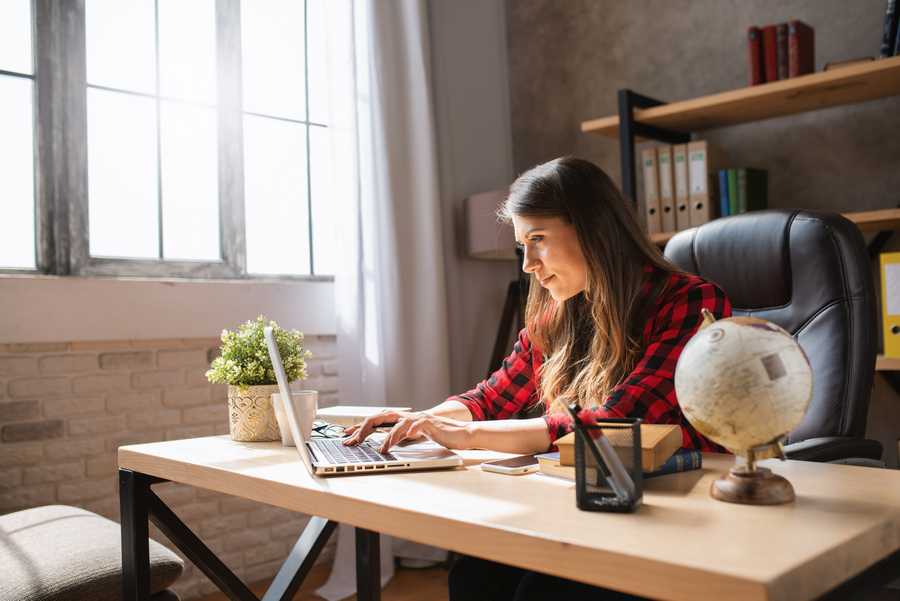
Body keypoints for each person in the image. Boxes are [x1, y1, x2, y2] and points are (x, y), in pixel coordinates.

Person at [343, 156, 731, 600]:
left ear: (595, 229)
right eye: (522, 245)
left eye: (538, 239)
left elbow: (614, 425)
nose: (527, 263)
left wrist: (466, 436)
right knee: (472, 575)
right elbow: (490, 399)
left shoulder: (692, 301)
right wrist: (419, 421)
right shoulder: (557, 315)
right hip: (594, 497)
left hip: (679, 504)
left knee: (540, 593)